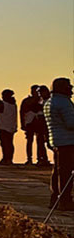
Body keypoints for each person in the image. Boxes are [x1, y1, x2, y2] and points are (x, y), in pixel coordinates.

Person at [48, 77, 74, 209]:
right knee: (66, 173)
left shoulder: (50, 102)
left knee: (58, 171)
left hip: (57, 140)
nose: (71, 88)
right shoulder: (64, 103)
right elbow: (71, 124)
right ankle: (65, 200)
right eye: (69, 86)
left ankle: (55, 198)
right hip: (68, 141)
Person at [21, 85, 47, 165]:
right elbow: (22, 112)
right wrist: (22, 124)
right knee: (30, 141)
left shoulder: (42, 100)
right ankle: (29, 159)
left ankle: (41, 158)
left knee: (40, 141)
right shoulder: (27, 101)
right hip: (30, 123)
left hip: (39, 123)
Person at [0, 88, 19, 164]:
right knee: (9, 143)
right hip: (11, 126)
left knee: (4, 143)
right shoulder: (13, 104)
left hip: (3, 126)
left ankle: (5, 158)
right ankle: (9, 159)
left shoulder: (3, 104)